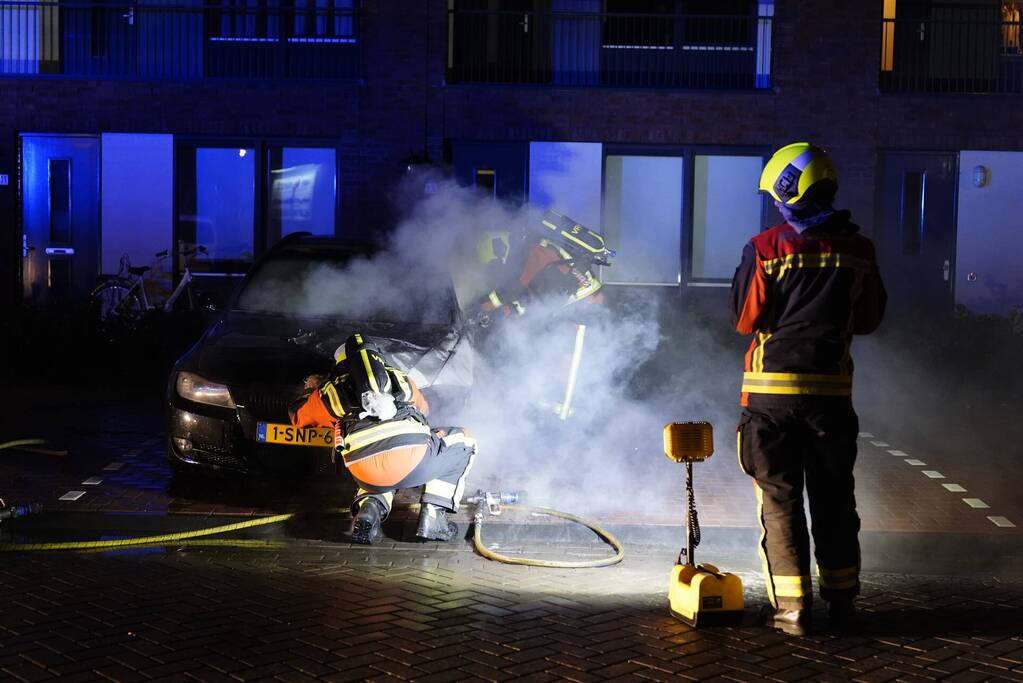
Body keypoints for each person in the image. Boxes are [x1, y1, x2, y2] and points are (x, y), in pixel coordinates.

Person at [730, 142, 887, 635]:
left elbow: (744, 318)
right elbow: (869, 319)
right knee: (835, 500)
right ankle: (843, 605)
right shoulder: (859, 251)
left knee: (779, 503)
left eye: (776, 197)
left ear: (787, 192)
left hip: (770, 399)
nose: (775, 205)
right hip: (831, 400)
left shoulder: (766, 248)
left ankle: (792, 611)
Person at [290, 332, 477, 544]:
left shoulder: (330, 392)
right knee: (466, 440)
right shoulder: (400, 378)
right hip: (413, 464)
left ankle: (369, 509)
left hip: (367, 475)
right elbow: (423, 411)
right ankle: (434, 518)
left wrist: (311, 390)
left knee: (378, 465)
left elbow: (298, 417)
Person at [474, 211, 611, 320]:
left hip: (579, 300)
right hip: (585, 294)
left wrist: (480, 307)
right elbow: (531, 298)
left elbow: (508, 296)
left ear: (499, 254)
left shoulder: (525, 260)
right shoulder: (536, 246)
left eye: (492, 263)